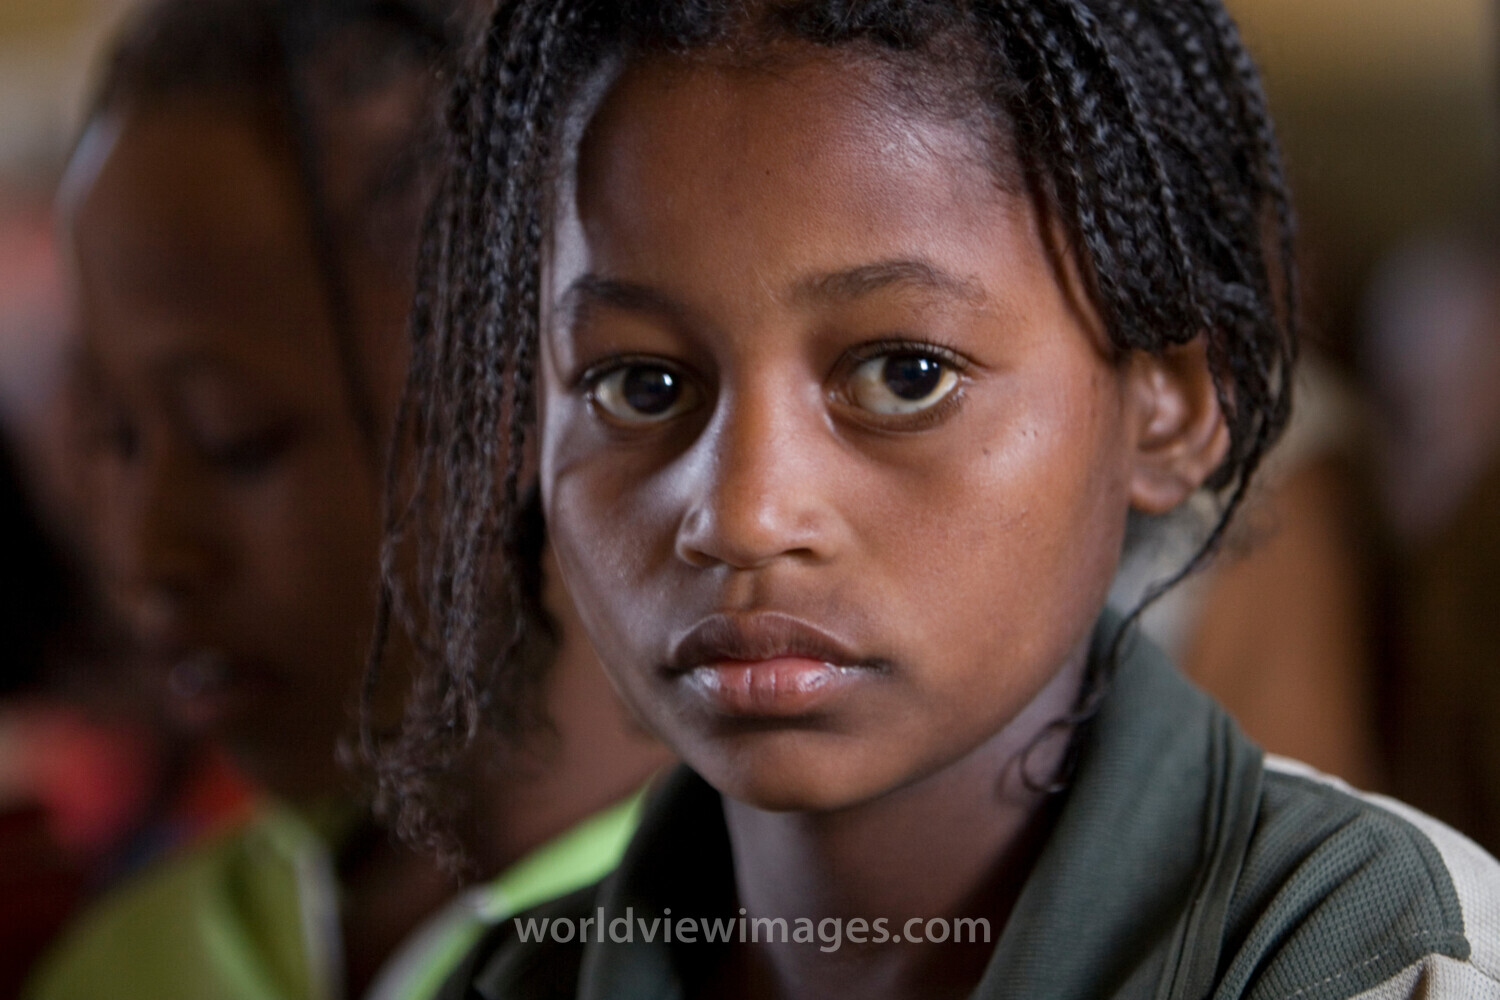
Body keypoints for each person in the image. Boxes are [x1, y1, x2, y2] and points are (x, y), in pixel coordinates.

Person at [366, 2, 1500, 998]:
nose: (746, 514)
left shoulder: (1378, 955)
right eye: (640, 385)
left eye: (905, 375)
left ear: (1170, 406)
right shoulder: (499, 980)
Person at [25, 1, 667, 998]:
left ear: (560, 384)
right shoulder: (138, 959)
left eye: (236, 440)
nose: (147, 550)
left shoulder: (787, 944)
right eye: (114, 437)